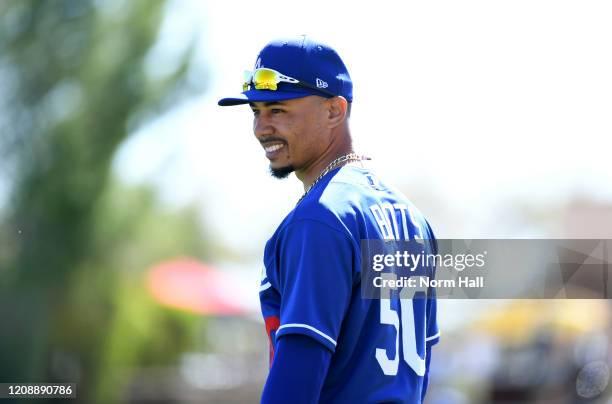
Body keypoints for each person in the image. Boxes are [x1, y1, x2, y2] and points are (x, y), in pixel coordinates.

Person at [218, 35, 439, 404]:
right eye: (256, 111)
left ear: (334, 110)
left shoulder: (320, 219)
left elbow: (298, 375)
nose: (261, 128)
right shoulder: (413, 219)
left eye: (279, 110)